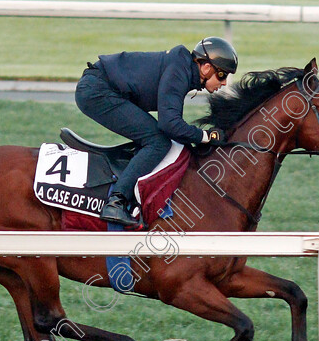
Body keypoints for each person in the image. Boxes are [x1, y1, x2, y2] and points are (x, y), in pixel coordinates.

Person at [75, 36, 238, 227]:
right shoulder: (179, 71)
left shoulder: (181, 68)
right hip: (97, 90)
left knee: (156, 138)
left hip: (102, 87)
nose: (225, 82)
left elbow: (172, 125)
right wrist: (205, 136)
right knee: (158, 142)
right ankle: (116, 202)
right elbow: (170, 124)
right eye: (222, 75)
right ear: (206, 67)